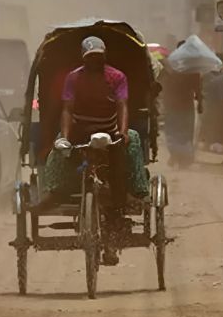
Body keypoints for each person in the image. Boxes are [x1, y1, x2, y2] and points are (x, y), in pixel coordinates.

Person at [34, 36, 150, 265]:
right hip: (80, 129)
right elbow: (67, 109)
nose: (94, 62)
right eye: (90, 58)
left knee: (134, 141)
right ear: (84, 59)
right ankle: (54, 190)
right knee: (58, 148)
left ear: (103, 57)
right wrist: (65, 138)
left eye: (98, 57)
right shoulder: (73, 78)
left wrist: (123, 132)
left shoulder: (116, 77)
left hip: (109, 130)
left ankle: (136, 189)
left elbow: (122, 105)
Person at [160, 41, 203, 168]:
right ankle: (181, 158)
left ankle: (177, 155)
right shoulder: (193, 68)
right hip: (183, 105)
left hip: (174, 104)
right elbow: (198, 88)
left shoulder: (169, 65)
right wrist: (200, 102)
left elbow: (162, 84)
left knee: (174, 131)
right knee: (183, 132)